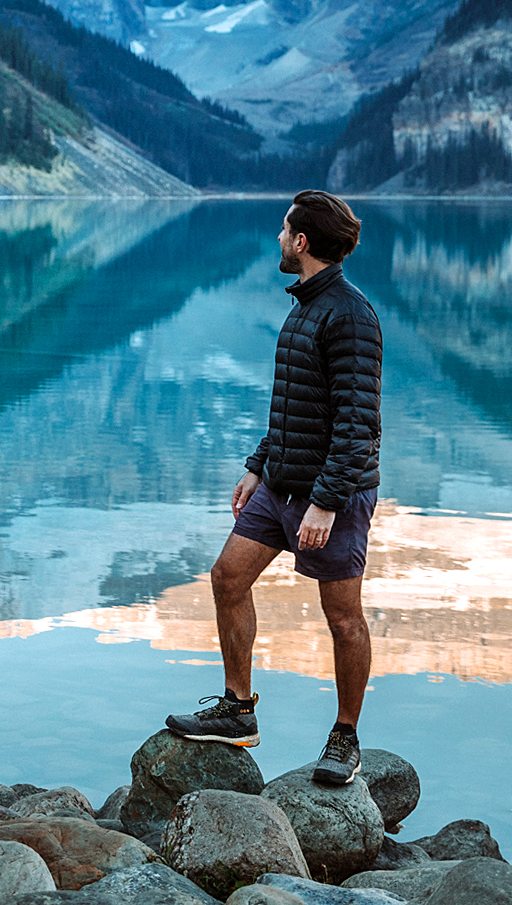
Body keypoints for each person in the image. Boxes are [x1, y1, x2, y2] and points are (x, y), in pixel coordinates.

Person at [165, 190, 383, 785]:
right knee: (227, 576)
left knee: (342, 618)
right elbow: (293, 406)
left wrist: (327, 502)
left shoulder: (351, 316)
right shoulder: (305, 307)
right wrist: (257, 464)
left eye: (284, 232)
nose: (278, 240)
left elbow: (358, 424)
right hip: (280, 484)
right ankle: (238, 710)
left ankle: (345, 736)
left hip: (329, 496)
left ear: (303, 242)